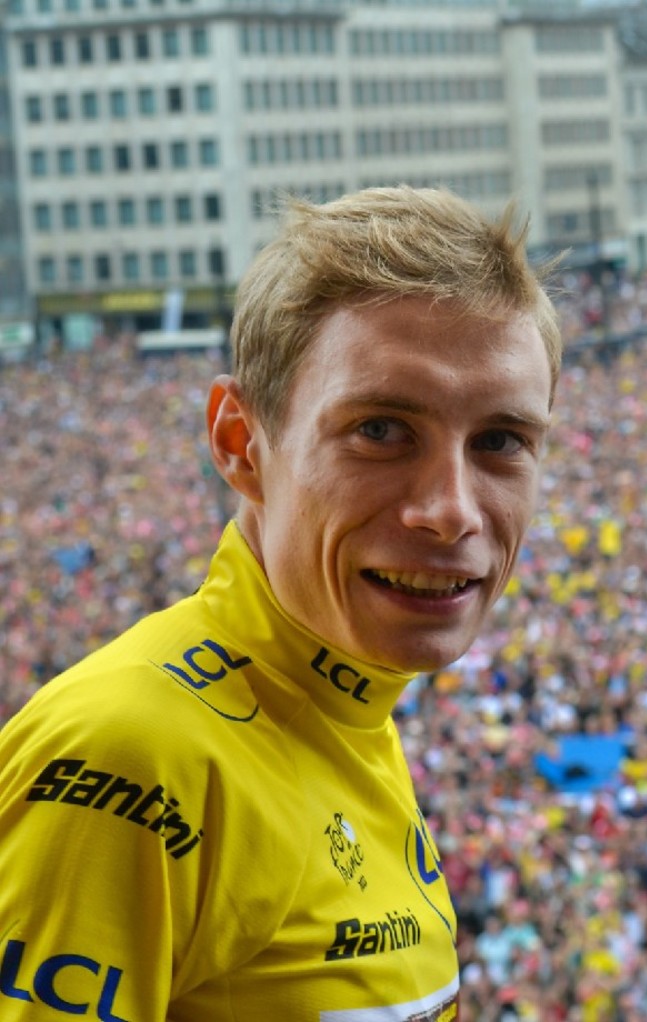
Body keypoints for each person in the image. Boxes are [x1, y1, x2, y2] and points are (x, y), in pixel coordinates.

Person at [0, 185, 561, 1020]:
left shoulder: (348, 696)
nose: (451, 509)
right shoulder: (129, 756)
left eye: (501, 441)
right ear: (239, 443)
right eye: (380, 430)